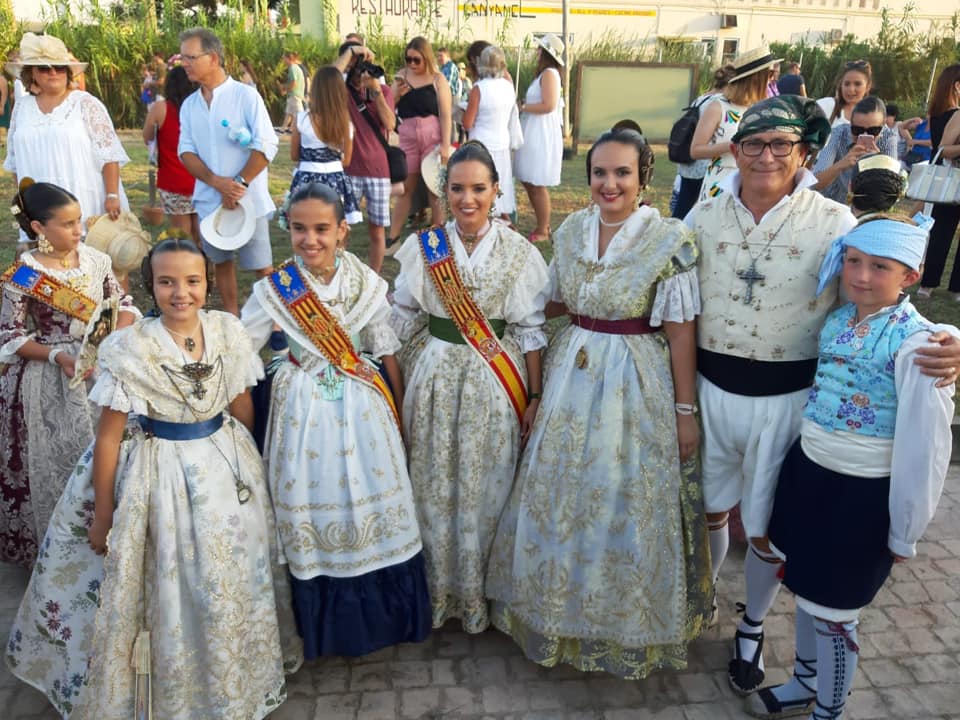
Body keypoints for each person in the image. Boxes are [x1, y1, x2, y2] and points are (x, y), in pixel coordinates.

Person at [683, 94, 960, 697]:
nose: (765, 156)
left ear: (804, 152)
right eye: (753, 143)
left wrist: (950, 340)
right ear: (735, 150)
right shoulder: (703, 213)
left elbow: (879, 299)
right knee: (708, 507)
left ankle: (751, 626)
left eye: (781, 144)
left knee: (764, 528)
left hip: (787, 400)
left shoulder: (834, 223)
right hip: (710, 389)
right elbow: (670, 288)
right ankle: (701, 602)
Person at [6, 238, 303, 718]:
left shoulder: (226, 331)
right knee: (172, 576)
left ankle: (231, 672)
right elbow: (108, 438)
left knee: (228, 572)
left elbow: (240, 399)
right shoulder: (129, 346)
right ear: (151, 286)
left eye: (192, 281)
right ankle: (173, 686)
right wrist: (103, 516)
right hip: (159, 471)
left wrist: (250, 458)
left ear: (208, 282)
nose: (180, 293)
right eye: (166, 282)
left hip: (224, 464)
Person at [487, 127, 713, 678]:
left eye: (622, 173)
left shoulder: (670, 240)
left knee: (622, 497)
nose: (609, 184)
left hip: (635, 380)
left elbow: (681, 334)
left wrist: (686, 413)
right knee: (561, 492)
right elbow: (556, 300)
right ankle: (556, 613)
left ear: (643, 179)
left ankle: (621, 620)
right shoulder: (571, 231)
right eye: (599, 173)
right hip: (571, 374)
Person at [747, 215, 953, 720]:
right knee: (805, 587)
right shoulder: (841, 319)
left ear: (912, 273)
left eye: (879, 266)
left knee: (836, 612)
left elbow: (927, 445)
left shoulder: (920, 346)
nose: (861, 276)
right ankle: (805, 681)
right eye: (854, 262)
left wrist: (906, 529)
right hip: (810, 475)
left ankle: (830, 708)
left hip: (860, 497)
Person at [241, 183, 431, 658]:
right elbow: (242, 350)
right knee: (315, 494)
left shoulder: (364, 280)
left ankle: (383, 614)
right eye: (299, 228)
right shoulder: (276, 288)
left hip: (361, 402)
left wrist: (399, 413)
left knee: (372, 497)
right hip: (302, 405)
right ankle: (321, 623)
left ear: (343, 231)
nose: (311, 240)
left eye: (322, 229)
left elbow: (383, 346)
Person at [389, 142, 549, 633]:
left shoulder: (520, 253)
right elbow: (400, 319)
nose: (468, 198)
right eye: (457, 188)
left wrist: (536, 396)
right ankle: (439, 593)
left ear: (497, 191)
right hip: (435, 381)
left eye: (479, 188)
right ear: (445, 191)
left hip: (496, 383)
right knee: (434, 485)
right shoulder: (424, 249)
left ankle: (485, 596)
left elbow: (528, 329)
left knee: (489, 486)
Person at [0, 181, 137, 569]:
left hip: (100, 371)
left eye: (79, 222)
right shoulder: (23, 275)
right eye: (68, 224)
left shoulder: (96, 260)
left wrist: (115, 330)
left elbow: (123, 303)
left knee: (106, 456)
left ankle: (107, 538)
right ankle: (57, 557)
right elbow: (9, 334)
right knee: (57, 466)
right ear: (39, 228)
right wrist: (58, 354)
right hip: (47, 380)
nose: (79, 231)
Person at [178, 27, 278, 316]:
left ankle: (275, 323)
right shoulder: (190, 105)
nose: (185, 63)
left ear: (213, 57)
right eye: (182, 58)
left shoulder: (245, 96)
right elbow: (186, 151)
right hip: (211, 200)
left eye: (190, 57)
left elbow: (266, 145)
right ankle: (232, 318)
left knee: (262, 264)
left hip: (248, 199)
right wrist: (215, 183)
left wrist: (237, 184)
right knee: (220, 262)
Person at [4, 32, 129, 244]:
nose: (53, 72)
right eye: (44, 68)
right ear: (31, 74)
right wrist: (23, 202)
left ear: (68, 71)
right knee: (47, 267)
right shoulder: (21, 108)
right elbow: (15, 162)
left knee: (97, 265)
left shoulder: (86, 104)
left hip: (85, 198)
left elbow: (109, 155)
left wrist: (112, 195)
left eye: (60, 66)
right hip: (40, 206)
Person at [333, 41, 397, 273]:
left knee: (377, 230)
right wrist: (349, 55)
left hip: (378, 171)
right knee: (340, 227)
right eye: (356, 65)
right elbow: (329, 76)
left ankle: (374, 278)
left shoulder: (383, 91)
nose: (361, 72)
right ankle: (338, 273)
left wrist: (376, 90)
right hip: (349, 169)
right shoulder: (341, 90)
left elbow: (390, 124)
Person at [385, 37, 453, 253]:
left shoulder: (437, 79)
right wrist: (395, 95)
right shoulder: (401, 76)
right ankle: (393, 238)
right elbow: (386, 108)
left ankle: (437, 238)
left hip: (432, 135)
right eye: (408, 59)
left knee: (435, 189)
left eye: (416, 60)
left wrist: (445, 145)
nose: (412, 64)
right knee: (405, 188)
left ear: (426, 58)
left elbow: (445, 114)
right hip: (408, 136)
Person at [690, 45, 782, 202]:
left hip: (753, 184)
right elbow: (695, 150)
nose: (773, 78)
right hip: (720, 185)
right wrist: (733, 146)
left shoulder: (764, 108)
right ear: (756, 77)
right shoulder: (718, 106)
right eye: (770, 73)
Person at [284, 65, 361, 228]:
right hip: (335, 179)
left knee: (304, 226)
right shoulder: (345, 123)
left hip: (306, 177)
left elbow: (294, 155)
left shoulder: (302, 119)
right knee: (334, 227)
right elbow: (346, 160)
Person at [514, 33, 565, 243]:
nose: (536, 53)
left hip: (540, 131)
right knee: (528, 179)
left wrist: (523, 106)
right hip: (533, 128)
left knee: (536, 181)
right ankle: (541, 224)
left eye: (539, 50)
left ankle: (543, 228)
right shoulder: (544, 74)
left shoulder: (550, 74)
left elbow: (549, 105)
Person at [142, 65, 200, 245]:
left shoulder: (161, 108)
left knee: (182, 235)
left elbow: (147, 137)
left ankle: (188, 268)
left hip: (173, 179)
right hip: (201, 178)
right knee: (202, 231)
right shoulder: (201, 108)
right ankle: (208, 269)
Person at [918, 63, 960, 299]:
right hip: (950, 177)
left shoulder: (937, 113)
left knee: (941, 232)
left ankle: (933, 284)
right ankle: (938, 285)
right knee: (942, 232)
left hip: (944, 178)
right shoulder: (955, 114)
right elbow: (942, 149)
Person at [672, 63, 735, 220]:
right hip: (704, 165)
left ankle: (672, 236)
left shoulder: (701, 98)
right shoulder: (718, 103)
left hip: (688, 162)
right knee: (701, 210)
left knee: (683, 206)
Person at [462, 45, 517, 220]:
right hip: (501, 142)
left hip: (481, 144)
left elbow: (468, 123)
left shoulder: (479, 88)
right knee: (501, 182)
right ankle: (505, 220)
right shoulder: (508, 87)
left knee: (481, 184)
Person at [812, 96, 900, 204]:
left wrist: (879, 162)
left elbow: (892, 190)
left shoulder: (888, 137)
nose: (864, 135)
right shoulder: (838, 134)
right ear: (850, 124)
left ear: (883, 127)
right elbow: (815, 183)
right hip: (834, 202)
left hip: (869, 205)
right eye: (857, 130)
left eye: (874, 130)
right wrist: (842, 164)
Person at [817, 60, 872, 127]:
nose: (851, 89)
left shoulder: (874, 116)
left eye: (857, 84)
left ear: (868, 86)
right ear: (841, 85)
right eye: (847, 84)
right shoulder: (827, 105)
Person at [277, 51, 306, 134]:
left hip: (295, 94)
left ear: (288, 59)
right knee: (289, 112)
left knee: (300, 113)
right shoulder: (294, 67)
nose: (283, 61)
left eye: (284, 59)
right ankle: (285, 129)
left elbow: (293, 83)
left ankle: (302, 128)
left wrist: (285, 89)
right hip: (294, 94)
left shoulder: (293, 68)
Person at [437, 46, 462, 143]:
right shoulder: (443, 67)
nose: (439, 58)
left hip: (450, 97)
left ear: (447, 55)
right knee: (444, 119)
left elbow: (448, 85)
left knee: (448, 120)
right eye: (438, 56)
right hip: (444, 96)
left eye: (441, 56)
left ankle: (450, 143)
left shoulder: (451, 67)